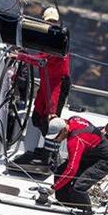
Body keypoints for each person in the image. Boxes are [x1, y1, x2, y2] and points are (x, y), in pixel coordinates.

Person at [47, 116, 108, 212]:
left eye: (56, 136)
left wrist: (52, 188)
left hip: (104, 160)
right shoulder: (72, 119)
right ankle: (64, 204)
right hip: (89, 154)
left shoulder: (75, 141)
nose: (55, 140)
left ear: (64, 130)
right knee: (60, 172)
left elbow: (72, 169)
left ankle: (86, 212)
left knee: (78, 187)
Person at [30, 7, 71, 135]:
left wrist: (22, 57)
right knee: (36, 118)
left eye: (53, 21)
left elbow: (42, 59)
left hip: (58, 82)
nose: (50, 24)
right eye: (49, 21)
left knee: (51, 120)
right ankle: (45, 146)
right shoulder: (45, 37)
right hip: (46, 82)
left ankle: (49, 151)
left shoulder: (60, 40)